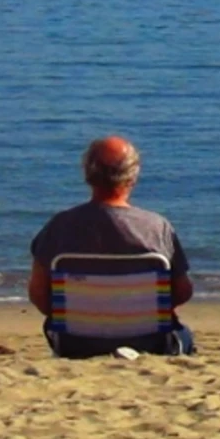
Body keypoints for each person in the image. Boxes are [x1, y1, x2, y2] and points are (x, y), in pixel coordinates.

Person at [27, 135, 194, 357]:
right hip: (150, 341)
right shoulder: (157, 227)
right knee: (186, 337)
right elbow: (183, 291)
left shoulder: (60, 226)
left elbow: (39, 293)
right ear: (133, 176)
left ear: (88, 174)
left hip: (75, 343)